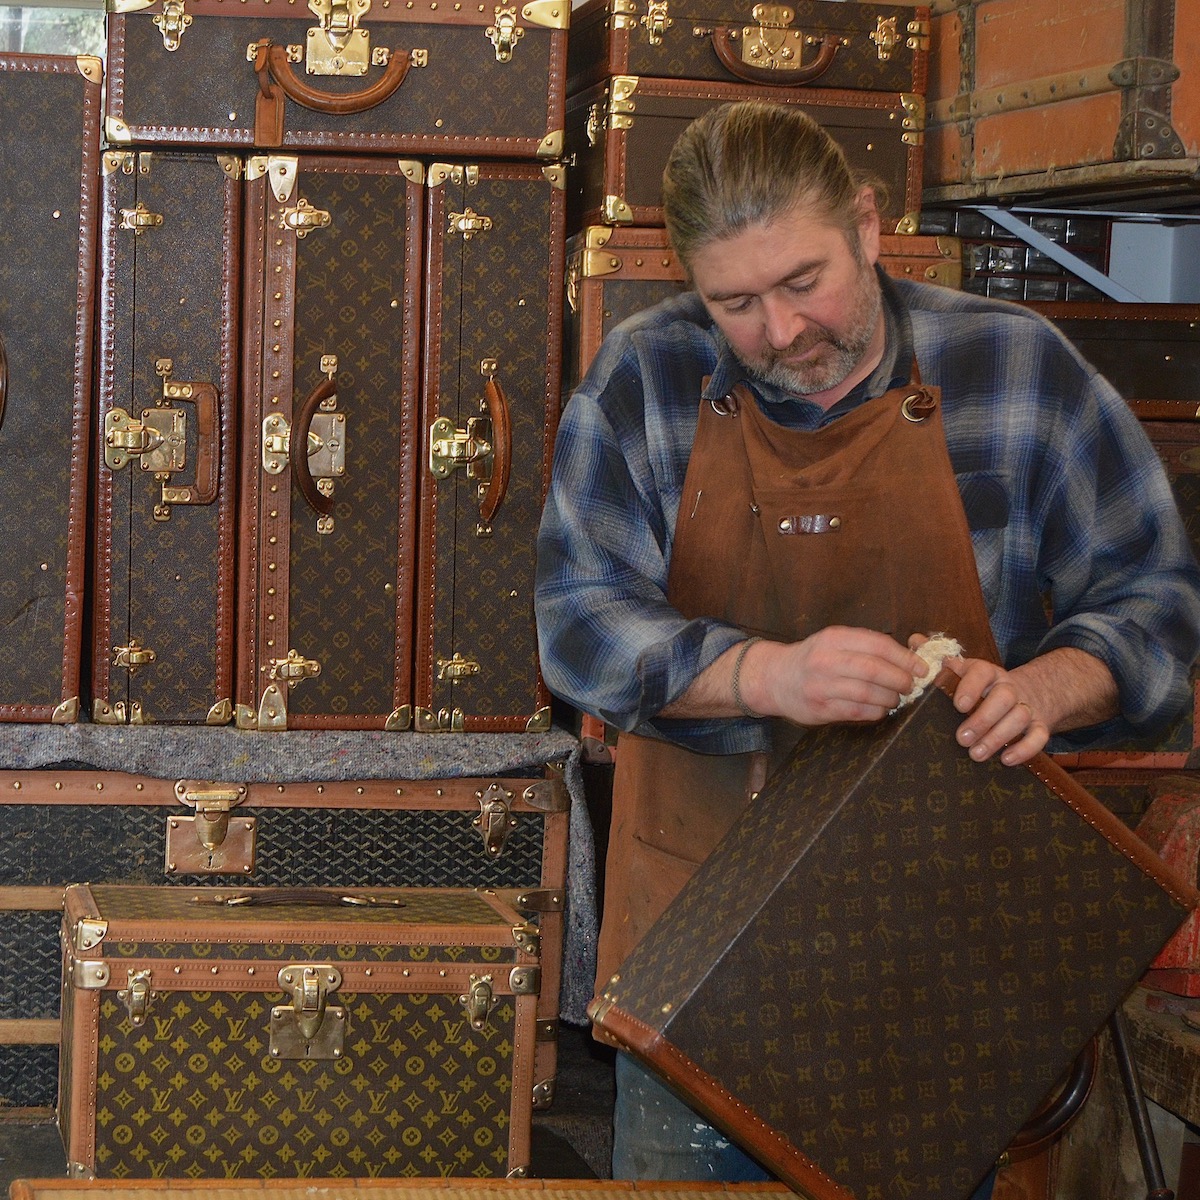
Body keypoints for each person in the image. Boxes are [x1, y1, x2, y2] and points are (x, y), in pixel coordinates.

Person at [535, 100, 1200, 1183]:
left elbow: (1158, 601)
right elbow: (576, 622)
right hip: (698, 965)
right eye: (736, 303)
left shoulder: (1017, 370)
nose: (783, 332)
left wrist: (1045, 689)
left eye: (805, 282)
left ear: (868, 222)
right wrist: (768, 673)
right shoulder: (645, 378)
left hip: (938, 968)